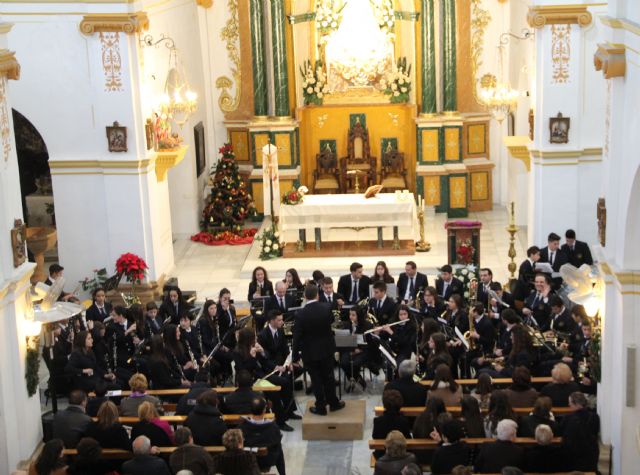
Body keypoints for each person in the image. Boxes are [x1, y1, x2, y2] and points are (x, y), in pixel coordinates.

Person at [292, 284, 344, 415]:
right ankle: (333, 403)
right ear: (318, 295)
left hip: (309, 352)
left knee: (316, 380)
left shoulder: (300, 314)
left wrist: (295, 356)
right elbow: (332, 321)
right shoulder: (326, 308)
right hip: (326, 349)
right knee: (328, 377)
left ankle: (320, 407)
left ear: (305, 296)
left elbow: (297, 337)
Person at [233, 327, 296, 431]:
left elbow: (265, 360)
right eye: (254, 336)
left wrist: (263, 353)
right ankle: (281, 422)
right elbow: (243, 370)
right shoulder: (237, 352)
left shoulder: (254, 346)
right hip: (250, 380)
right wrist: (252, 358)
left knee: (285, 382)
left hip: (262, 375)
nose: (256, 338)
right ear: (248, 338)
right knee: (274, 393)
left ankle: (289, 411)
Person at [239, 397, 286, 475]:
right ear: (264, 410)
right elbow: (277, 439)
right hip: (267, 460)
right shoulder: (273, 427)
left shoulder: (242, 427)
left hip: (249, 459)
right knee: (279, 447)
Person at [559, 391, 600, 471]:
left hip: (573, 456)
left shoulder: (568, 418)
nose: (569, 405)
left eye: (570, 402)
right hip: (590, 455)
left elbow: (560, 432)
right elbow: (595, 432)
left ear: (576, 404)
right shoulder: (595, 417)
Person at [340, 306, 373, 392]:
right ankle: (357, 378)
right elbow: (343, 340)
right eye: (350, 314)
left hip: (362, 350)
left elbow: (370, 342)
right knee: (343, 362)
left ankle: (353, 380)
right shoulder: (346, 325)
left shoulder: (367, 325)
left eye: (353, 315)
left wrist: (360, 349)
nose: (351, 317)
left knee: (356, 364)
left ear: (358, 315)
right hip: (350, 349)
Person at [372, 390, 412, 457]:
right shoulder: (403, 420)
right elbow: (407, 437)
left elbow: (375, 437)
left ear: (384, 405)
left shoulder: (378, 421)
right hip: (400, 454)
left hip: (382, 454)